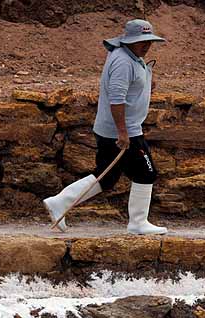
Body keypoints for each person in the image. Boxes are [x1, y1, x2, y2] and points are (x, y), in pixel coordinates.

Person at [43, 19, 167, 235]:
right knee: (146, 173)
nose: (146, 45)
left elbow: (130, 86)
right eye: (141, 41)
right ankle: (138, 222)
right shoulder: (122, 62)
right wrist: (122, 132)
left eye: (149, 40)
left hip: (121, 128)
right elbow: (116, 99)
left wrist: (147, 83)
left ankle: (59, 202)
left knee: (106, 177)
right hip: (122, 131)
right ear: (128, 41)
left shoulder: (132, 57)